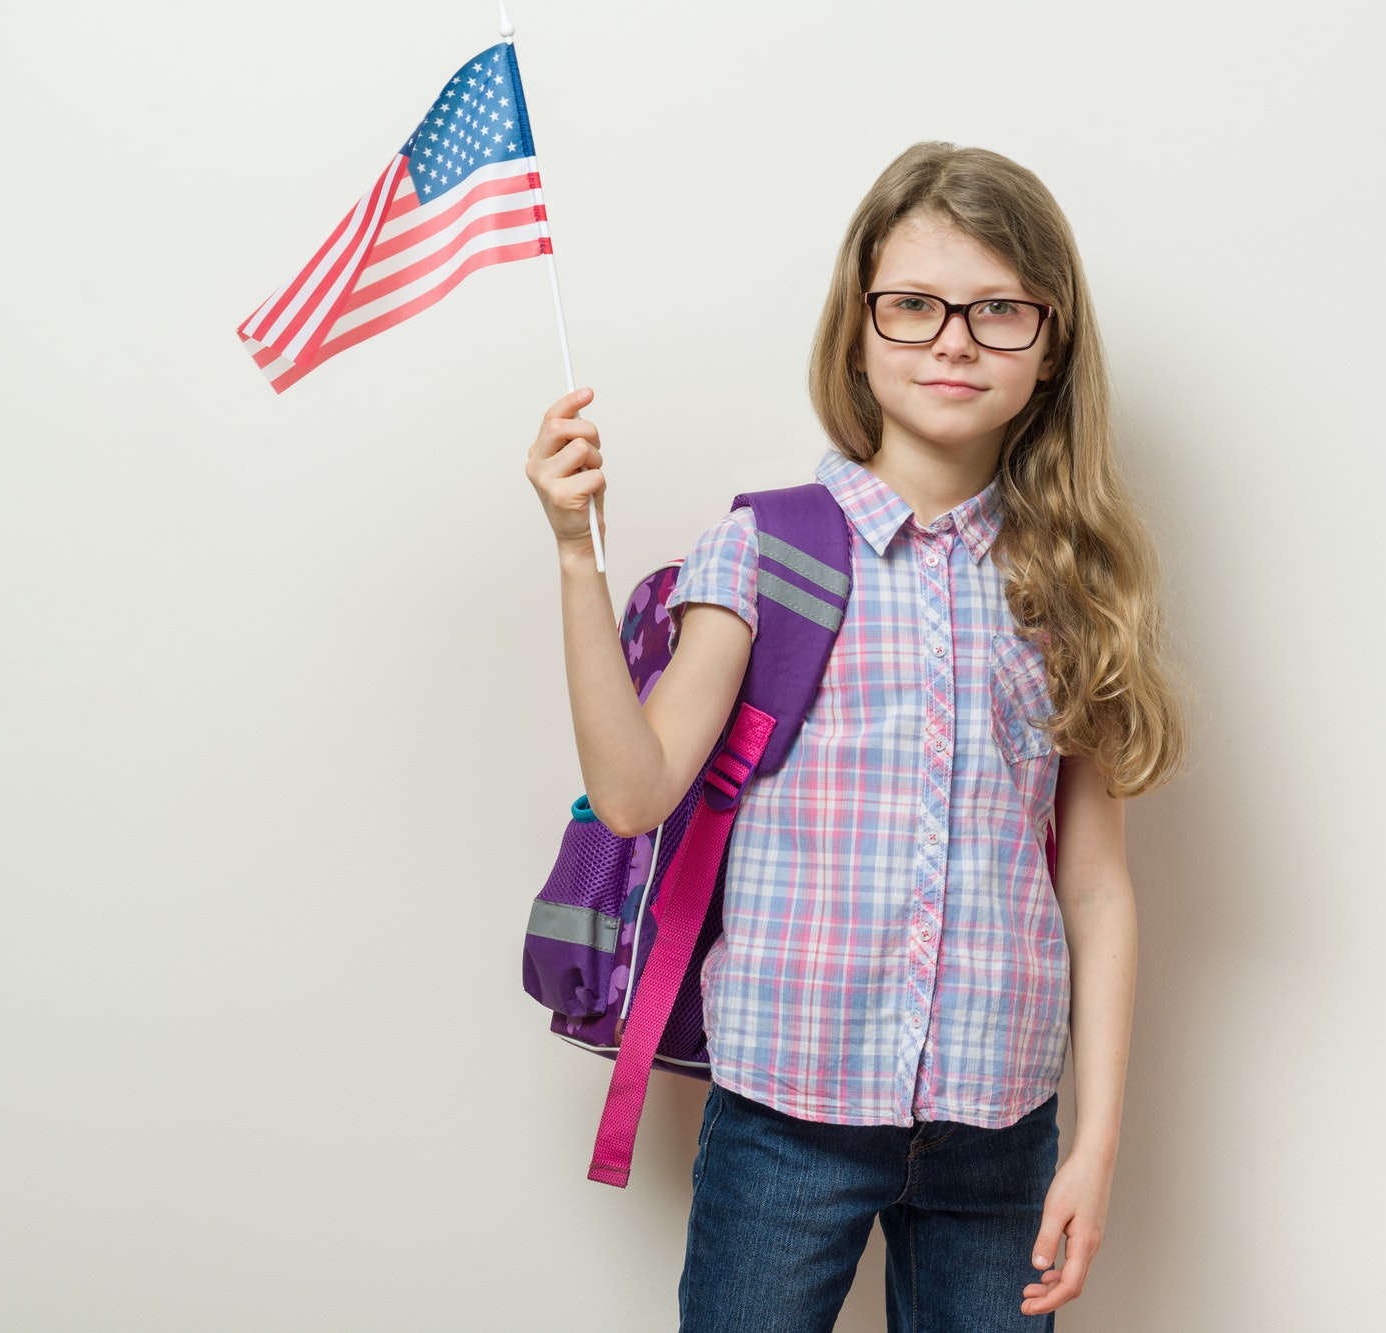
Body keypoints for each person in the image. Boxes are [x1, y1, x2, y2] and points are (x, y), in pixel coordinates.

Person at [524, 141, 1187, 1331]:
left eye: (996, 311)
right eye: (915, 305)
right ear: (859, 329)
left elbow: (1095, 891)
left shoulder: (1066, 590)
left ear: (1049, 351)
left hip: (1000, 1130)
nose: (951, 339)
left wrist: (1093, 1147)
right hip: (784, 1116)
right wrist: (577, 554)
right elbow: (634, 792)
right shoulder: (765, 550)